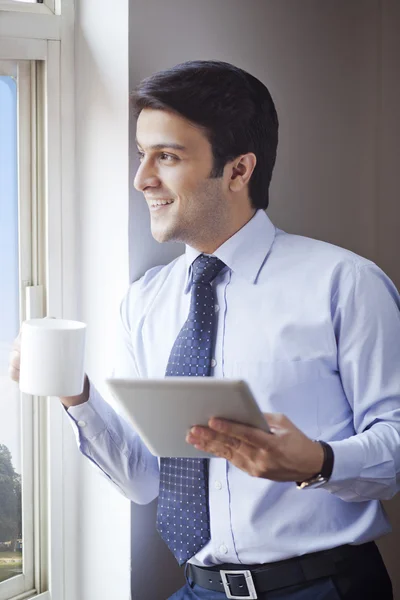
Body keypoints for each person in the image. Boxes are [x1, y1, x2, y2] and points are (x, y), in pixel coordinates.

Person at [9, 60, 400, 599]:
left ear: (238, 171)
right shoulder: (146, 301)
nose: (142, 178)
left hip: (322, 587)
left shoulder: (345, 283)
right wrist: (74, 394)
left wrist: (318, 461)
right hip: (200, 589)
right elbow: (144, 481)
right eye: (141, 154)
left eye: (166, 156)